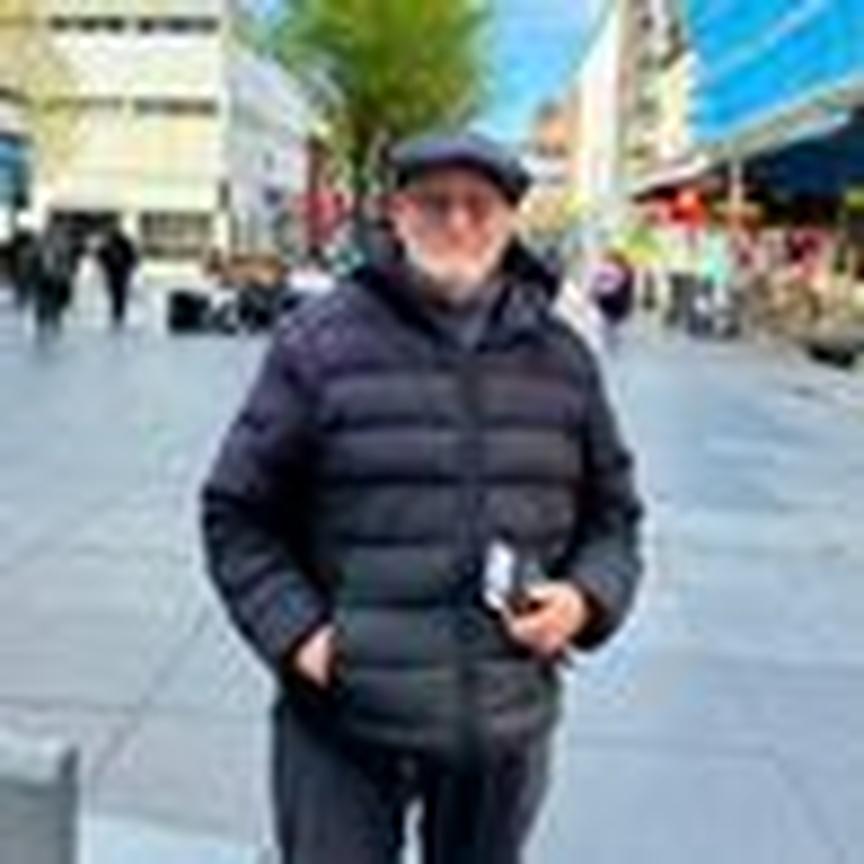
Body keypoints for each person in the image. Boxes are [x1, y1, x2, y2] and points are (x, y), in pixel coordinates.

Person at [201, 131, 644, 864]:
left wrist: (586, 601)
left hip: (499, 724)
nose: (458, 222)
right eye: (435, 203)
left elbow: (614, 519)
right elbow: (236, 513)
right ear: (398, 214)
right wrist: (304, 639)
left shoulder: (562, 359)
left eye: (479, 205)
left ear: (510, 220)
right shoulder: (318, 343)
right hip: (343, 721)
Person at [96, 225, 138, 329]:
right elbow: (100, 255)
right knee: (118, 294)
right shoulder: (114, 244)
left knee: (118, 294)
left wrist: (128, 267)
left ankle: (117, 315)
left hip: (119, 272)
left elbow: (133, 258)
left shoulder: (120, 243)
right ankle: (117, 314)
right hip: (116, 272)